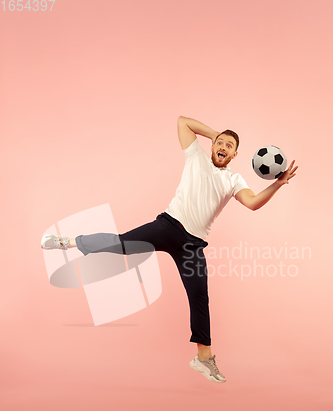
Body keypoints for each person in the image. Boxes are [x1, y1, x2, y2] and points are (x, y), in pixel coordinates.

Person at [41, 116, 298, 383]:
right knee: (120, 243)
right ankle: (67, 242)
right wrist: (214, 133)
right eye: (220, 142)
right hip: (167, 226)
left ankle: (203, 359)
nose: (222, 146)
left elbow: (253, 202)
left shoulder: (234, 179)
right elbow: (183, 122)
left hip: (192, 245)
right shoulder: (196, 156)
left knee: (200, 297)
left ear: (235, 154)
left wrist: (277, 184)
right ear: (212, 145)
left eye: (229, 145)